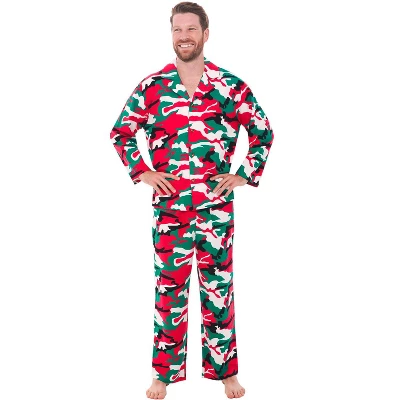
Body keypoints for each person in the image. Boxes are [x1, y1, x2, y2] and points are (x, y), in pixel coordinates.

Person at [109, 2, 274, 398]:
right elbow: (121, 133)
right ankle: (163, 374)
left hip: (216, 209)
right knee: (169, 292)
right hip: (170, 210)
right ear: (172, 35)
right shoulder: (153, 87)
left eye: (191, 29)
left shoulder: (229, 86)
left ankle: (226, 373)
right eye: (177, 29)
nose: (183, 36)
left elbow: (262, 132)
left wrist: (243, 174)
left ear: (205, 34)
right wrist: (143, 171)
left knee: (219, 291)